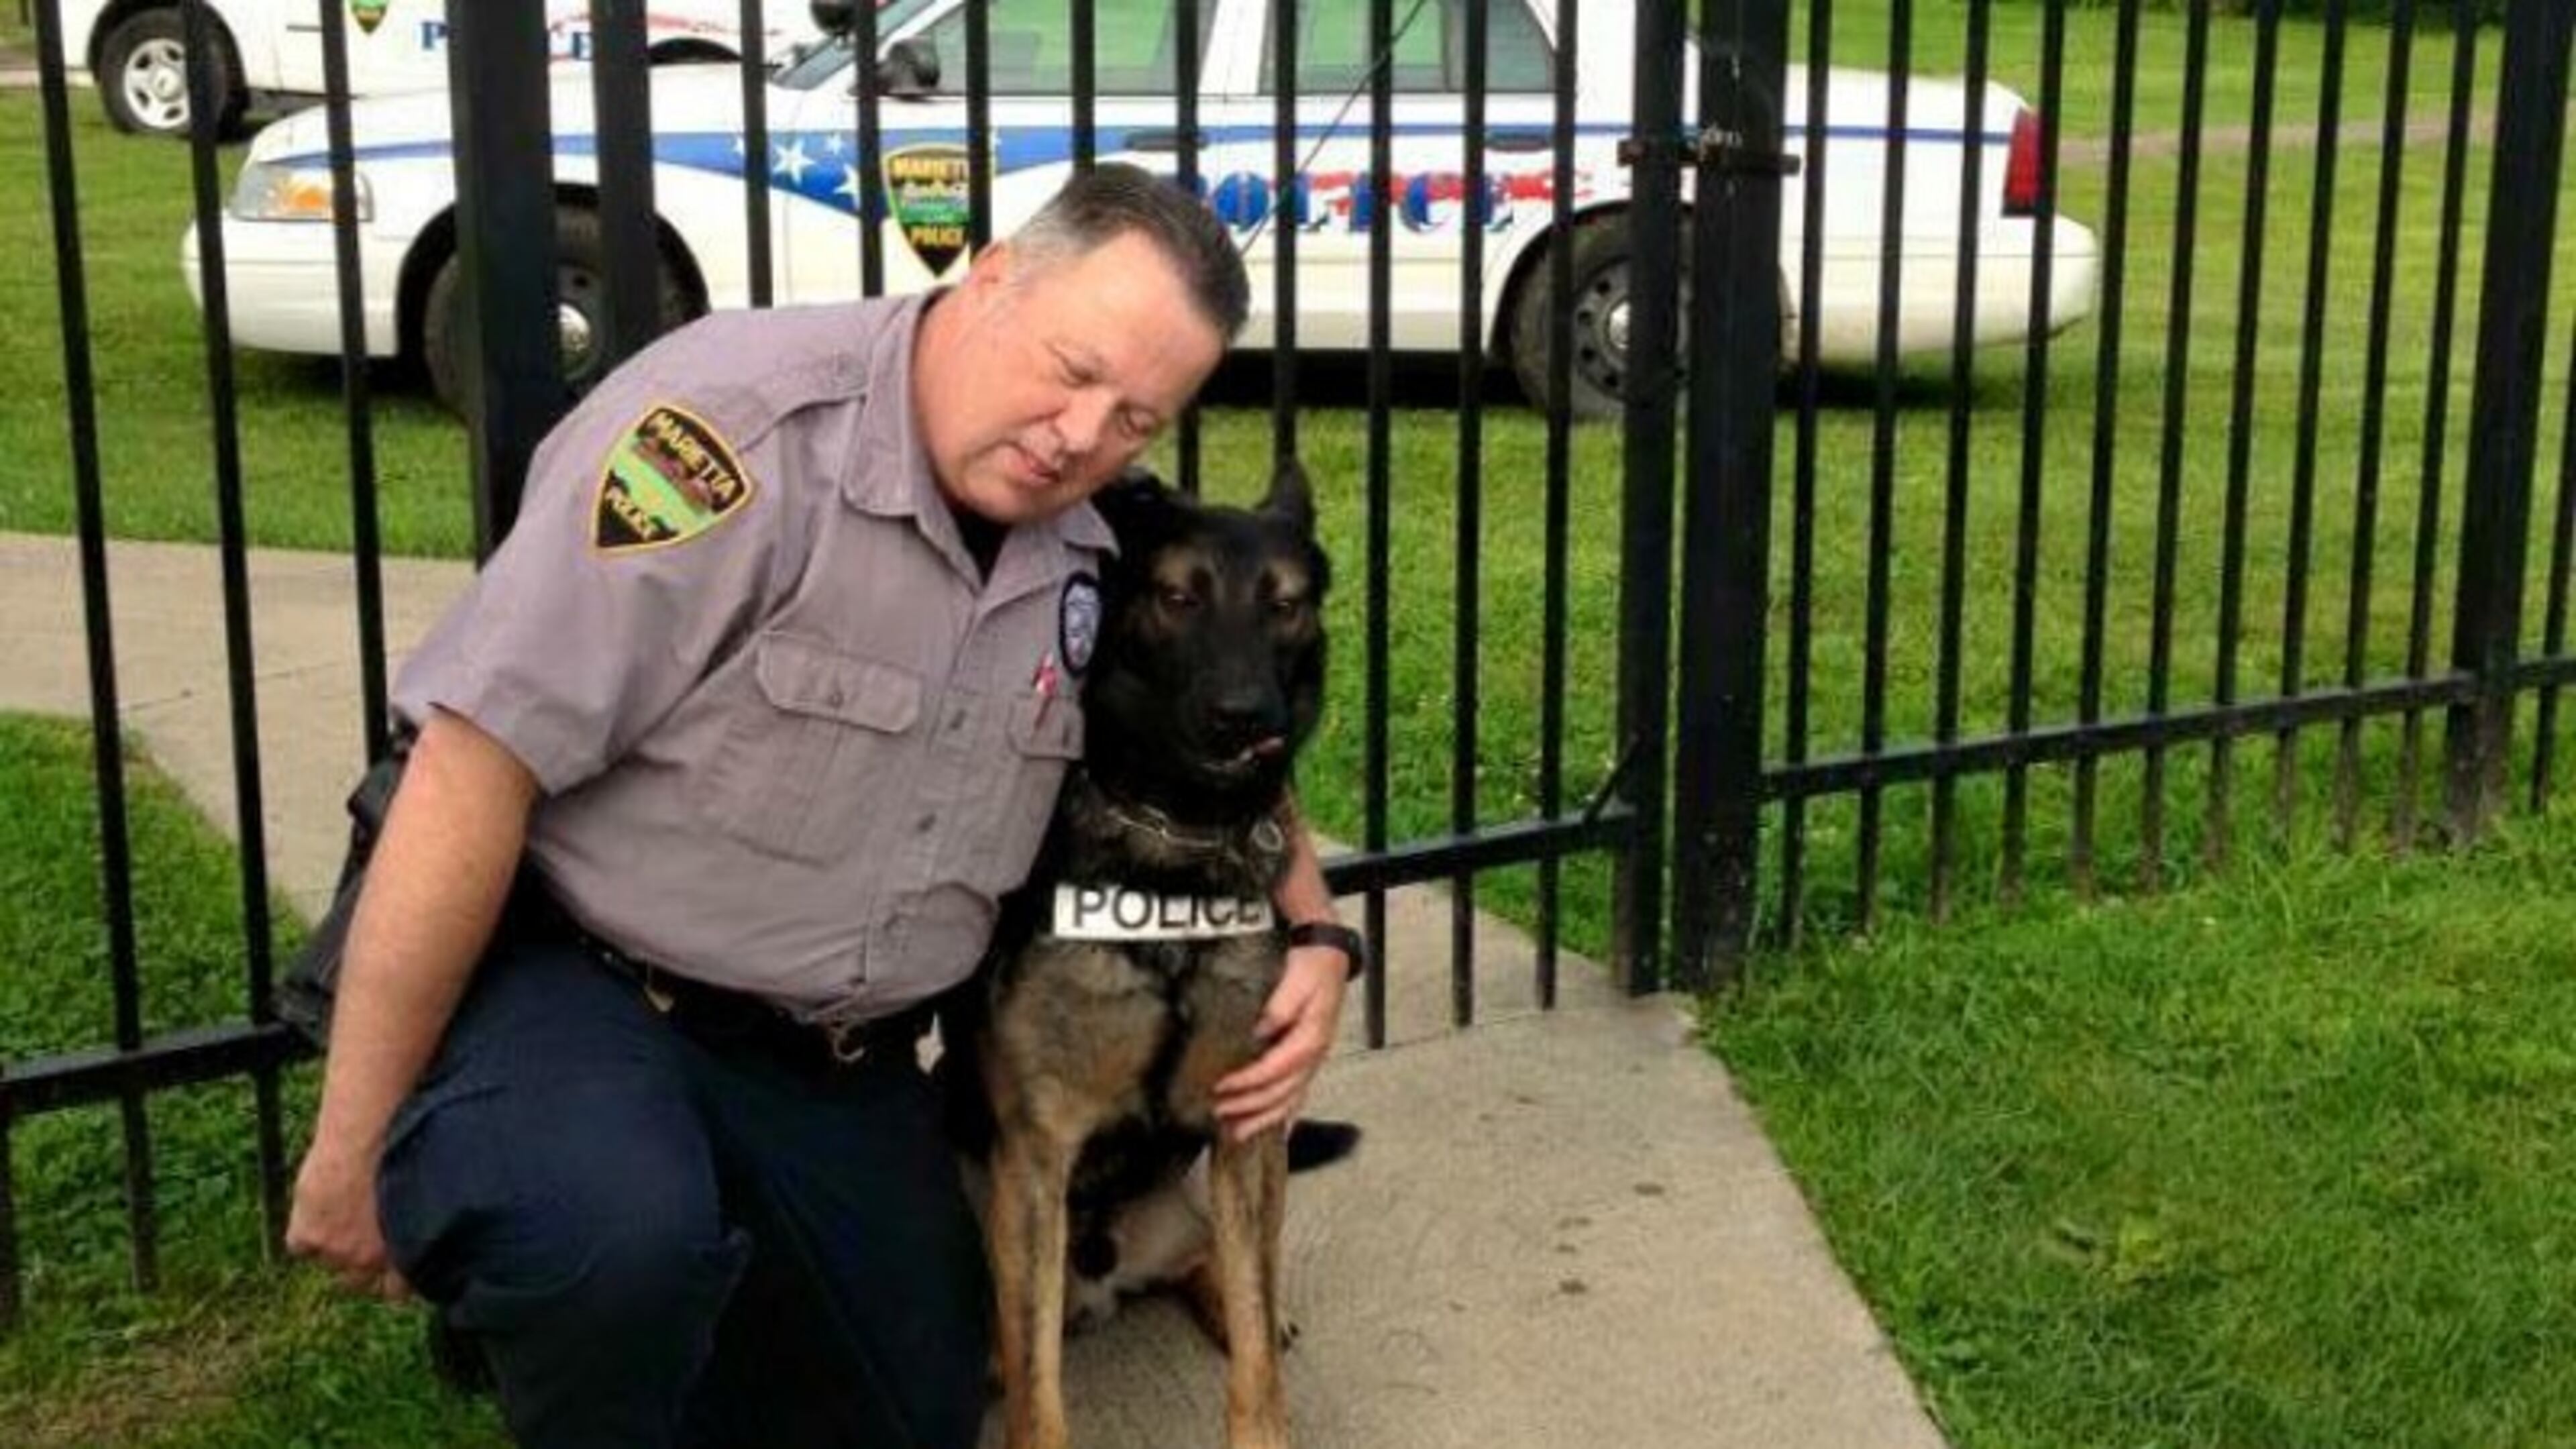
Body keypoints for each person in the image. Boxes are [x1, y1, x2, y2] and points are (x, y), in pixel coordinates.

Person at [282, 164, 1356, 1449]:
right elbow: (471, 762)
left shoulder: (1099, 533)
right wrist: (352, 1145)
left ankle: (683, 1256)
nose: (1084, 433)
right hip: (587, 983)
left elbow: (1217, 739)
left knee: (916, 1402)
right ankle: (545, 1240)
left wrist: (1321, 933)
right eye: (1072, 370)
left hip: (827, 1058)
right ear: (995, 273)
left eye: (1136, 415)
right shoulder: (725, 438)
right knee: (614, 1243)